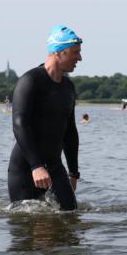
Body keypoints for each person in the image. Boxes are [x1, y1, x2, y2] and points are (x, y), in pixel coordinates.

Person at [8, 25, 83, 211]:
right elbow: (20, 124)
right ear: (59, 52)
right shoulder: (30, 81)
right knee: (28, 227)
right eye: (75, 53)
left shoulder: (68, 87)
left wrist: (73, 173)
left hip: (56, 167)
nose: (79, 58)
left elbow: (70, 132)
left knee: (71, 215)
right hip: (26, 168)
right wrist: (36, 166)